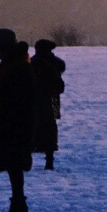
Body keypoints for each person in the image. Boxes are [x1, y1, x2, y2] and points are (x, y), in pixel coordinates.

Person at [0, 28, 37, 212]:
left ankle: (18, 202)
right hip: (17, 122)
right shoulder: (19, 65)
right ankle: (18, 200)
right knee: (14, 164)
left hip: (14, 123)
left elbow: (11, 96)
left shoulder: (16, 68)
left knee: (14, 164)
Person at [31, 38, 66, 170]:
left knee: (34, 127)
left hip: (36, 102)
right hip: (52, 101)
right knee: (50, 128)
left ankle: (34, 157)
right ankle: (49, 160)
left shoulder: (33, 63)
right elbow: (59, 86)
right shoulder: (54, 64)